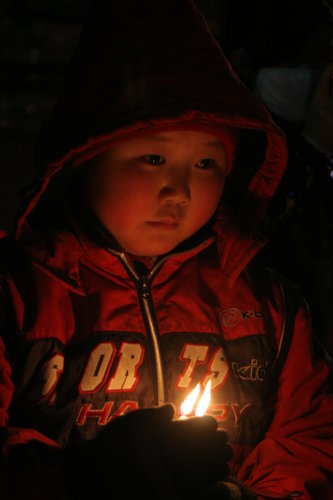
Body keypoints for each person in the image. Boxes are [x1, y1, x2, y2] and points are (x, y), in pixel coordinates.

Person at [0, 1, 332, 498]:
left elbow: (311, 439)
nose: (178, 190)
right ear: (87, 156)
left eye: (205, 164)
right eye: (153, 158)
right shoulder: (21, 293)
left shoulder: (266, 308)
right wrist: (83, 475)